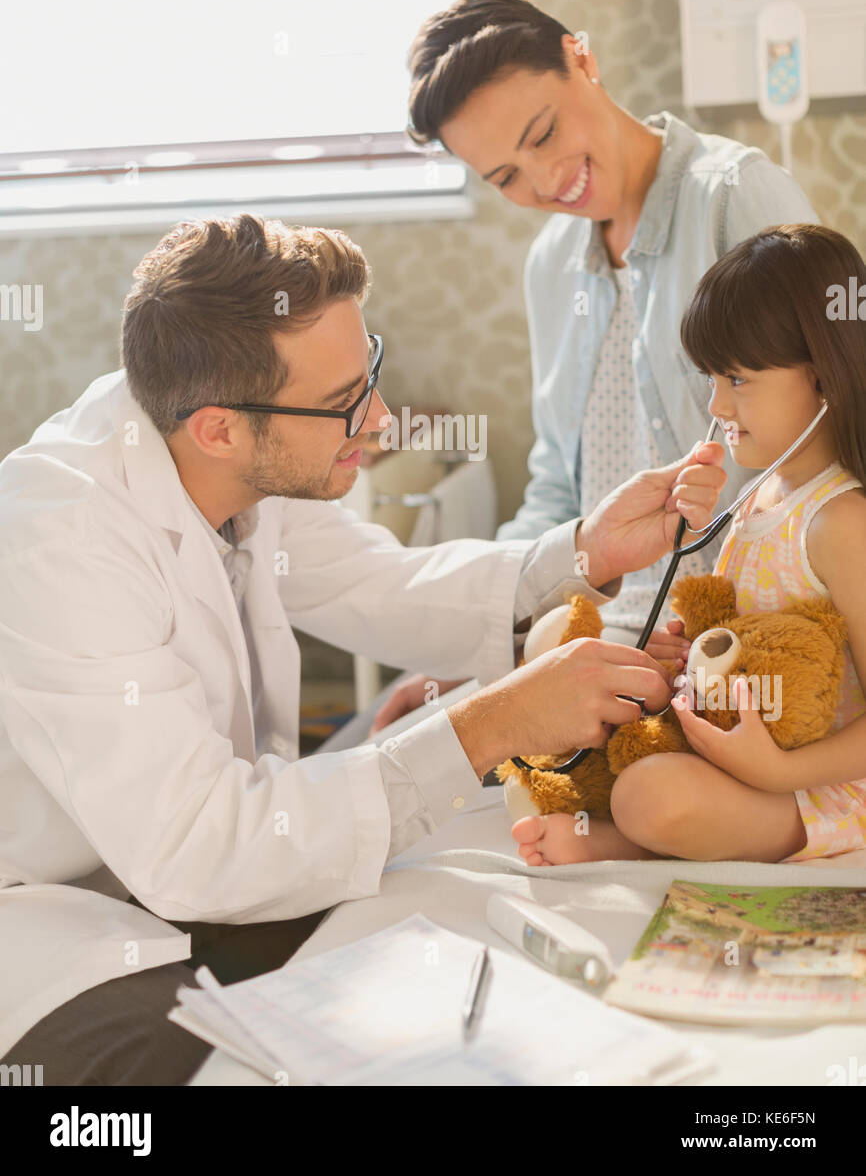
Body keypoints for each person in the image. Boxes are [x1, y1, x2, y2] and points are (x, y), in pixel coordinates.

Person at [0, 213, 726, 1083]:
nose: (379, 420)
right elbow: (200, 845)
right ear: (220, 429)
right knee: (221, 1068)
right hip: (55, 913)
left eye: (367, 371)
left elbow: (368, 583)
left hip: (185, 864)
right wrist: (482, 728)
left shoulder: (230, 445)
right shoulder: (63, 546)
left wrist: (578, 555)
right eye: (345, 402)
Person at [371, 0, 818, 734]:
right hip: (602, 645)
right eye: (507, 178)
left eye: (542, 134)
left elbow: (825, 441)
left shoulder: (733, 200)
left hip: (730, 636)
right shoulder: (552, 268)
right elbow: (556, 487)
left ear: (582, 57)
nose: (546, 183)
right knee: (415, 740)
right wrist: (473, 649)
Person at [511, 224, 866, 867]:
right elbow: (738, 632)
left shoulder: (841, 522)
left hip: (817, 780)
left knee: (652, 794)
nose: (715, 403)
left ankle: (624, 839)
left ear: (821, 378)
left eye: (737, 379)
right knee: (554, 639)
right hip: (733, 745)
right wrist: (680, 652)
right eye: (711, 378)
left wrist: (779, 773)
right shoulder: (758, 496)